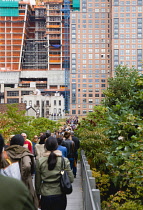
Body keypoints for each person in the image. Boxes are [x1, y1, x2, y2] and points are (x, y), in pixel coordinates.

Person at [35, 136, 74, 210]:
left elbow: (38, 181)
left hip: (45, 194)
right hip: (60, 194)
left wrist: (37, 196)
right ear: (57, 146)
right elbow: (71, 179)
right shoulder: (64, 160)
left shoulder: (40, 161)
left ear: (45, 146)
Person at [1, 134, 38, 209]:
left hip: (8, 187)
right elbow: (27, 165)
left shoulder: (6, 154)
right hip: (25, 185)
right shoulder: (25, 153)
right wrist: (24, 176)